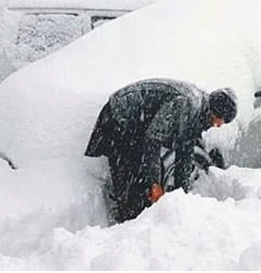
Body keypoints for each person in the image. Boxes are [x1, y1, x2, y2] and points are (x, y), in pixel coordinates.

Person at [84, 78, 237, 223]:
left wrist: (181, 195)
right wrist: (154, 183)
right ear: (215, 111)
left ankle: (132, 216)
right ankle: (126, 226)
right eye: (221, 120)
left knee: (142, 180)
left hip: (136, 126)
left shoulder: (199, 113)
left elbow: (185, 152)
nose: (219, 125)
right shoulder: (186, 104)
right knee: (135, 180)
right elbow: (152, 140)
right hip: (119, 118)